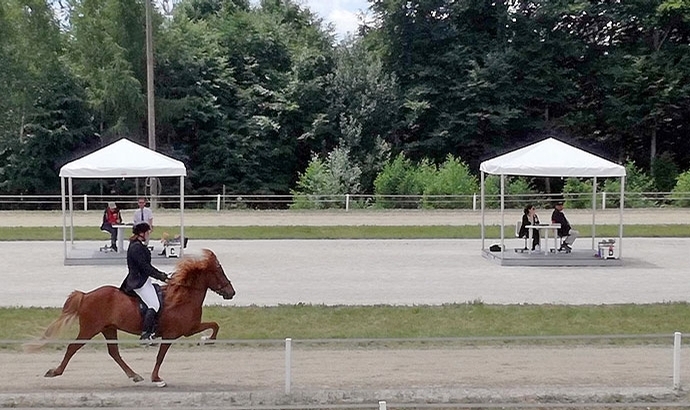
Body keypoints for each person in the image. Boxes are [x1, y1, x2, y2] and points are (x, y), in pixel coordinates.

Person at [120, 223, 169, 341]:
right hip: (138, 282)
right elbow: (146, 268)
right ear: (142, 234)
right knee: (154, 304)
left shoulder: (138, 245)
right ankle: (146, 334)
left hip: (143, 279)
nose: (148, 235)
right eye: (147, 233)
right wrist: (162, 277)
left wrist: (163, 275)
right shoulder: (136, 248)